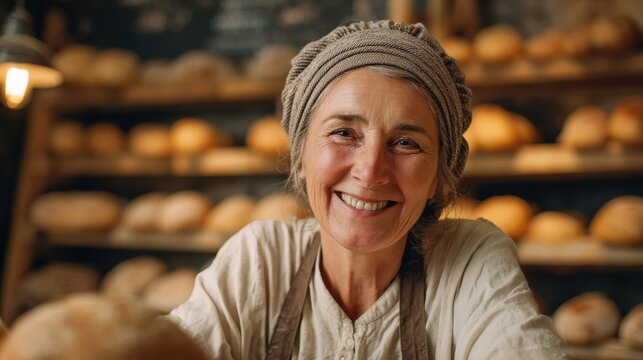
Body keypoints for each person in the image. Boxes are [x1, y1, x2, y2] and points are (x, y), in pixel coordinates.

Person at [168, 20, 566, 359]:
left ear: (438, 177)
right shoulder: (260, 260)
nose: (371, 170)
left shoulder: (468, 261)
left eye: (407, 142)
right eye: (343, 133)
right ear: (301, 158)